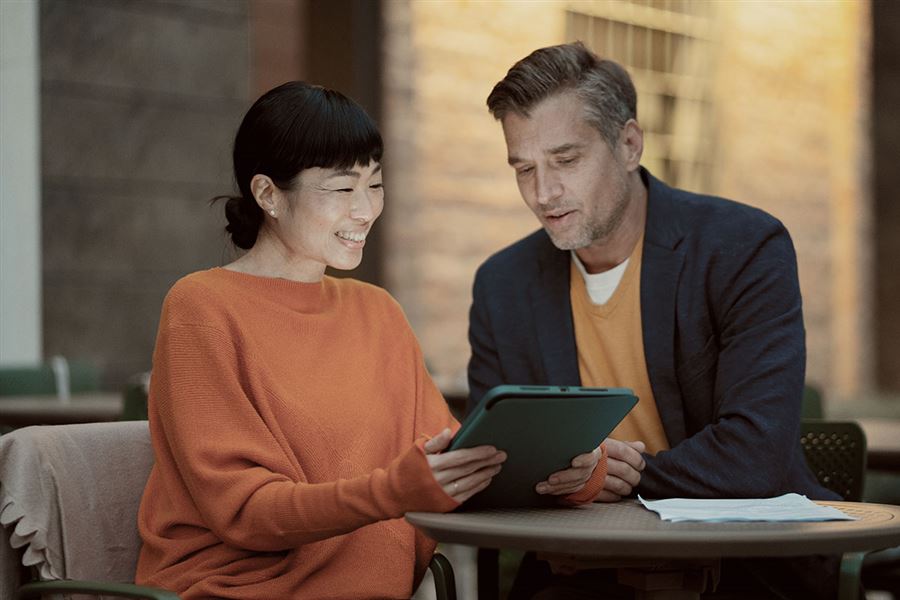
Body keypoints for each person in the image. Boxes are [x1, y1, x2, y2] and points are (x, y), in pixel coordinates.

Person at [135, 81, 607, 600]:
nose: (365, 210)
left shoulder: (376, 311)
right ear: (268, 194)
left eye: (375, 185)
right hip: (243, 592)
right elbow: (244, 512)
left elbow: (455, 468)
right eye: (342, 189)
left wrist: (568, 471)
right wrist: (393, 491)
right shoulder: (201, 307)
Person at [467, 42, 840, 599]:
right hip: (580, 574)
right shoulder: (503, 285)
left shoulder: (742, 248)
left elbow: (756, 453)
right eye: (524, 168)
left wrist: (626, 475)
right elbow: (496, 467)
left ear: (629, 145)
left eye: (566, 161)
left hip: (740, 569)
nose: (543, 193)